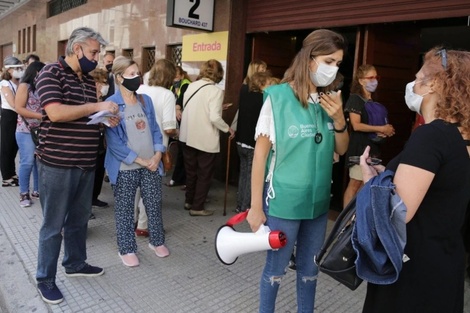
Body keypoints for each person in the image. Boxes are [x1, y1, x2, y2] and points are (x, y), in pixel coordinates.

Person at [359, 47, 470, 313]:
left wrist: (369, 180)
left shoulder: (431, 136)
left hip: (413, 269)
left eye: (418, 76)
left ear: (432, 83)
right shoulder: (460, 136)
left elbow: (398, 211)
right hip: (446, 261)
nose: (412, 84)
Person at [246, 29, 349, 313]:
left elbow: (342, 147)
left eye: (338, 63)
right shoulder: (278, 98)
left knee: (310, 270)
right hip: (284, 203)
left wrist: (340, 119)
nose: (333, 69)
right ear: (309, 58)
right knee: (275, 269)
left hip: (317, 203)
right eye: (329, 60)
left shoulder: (329, 101)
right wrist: (256, 206)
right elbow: (260, 157)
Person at [34, 27, 119, 305]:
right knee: (53, 225)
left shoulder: (84, 79)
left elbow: (83, 117)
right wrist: (97, 106)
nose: (97, 58)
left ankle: (75, 263)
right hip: (57, 164)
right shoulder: (50, 73)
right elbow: (56, 113)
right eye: (94, 52)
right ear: (77, 48)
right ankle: (45, 278)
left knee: (79, 220)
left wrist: (105, 117)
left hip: (85, 164)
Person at [105, 56, 169, 267]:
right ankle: (127, 248)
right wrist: (141, 160)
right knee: (125, 209)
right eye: (131, 74)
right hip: (126, 167)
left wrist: (158, 154)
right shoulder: (111, 105)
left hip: (151, 164)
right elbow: (114, 144)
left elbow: (155, 131)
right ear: (119, 77)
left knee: (153, 204)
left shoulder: (145, 100)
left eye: (137, 73)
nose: (136, 77)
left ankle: (157, 241)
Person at [179, 59, 235, 216]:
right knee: (204, 174)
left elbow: (192, 107)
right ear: (219, 74)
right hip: (204, 138)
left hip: (187, 135)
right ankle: (197, 207)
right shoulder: (216, 91)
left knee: (191, 172)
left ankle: (189, 200)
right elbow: (214, 118)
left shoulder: (191, 86)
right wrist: (227, 129)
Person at [134, 58, 177, 236]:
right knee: (149, 187)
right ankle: (143, 226)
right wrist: (176, 131)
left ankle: (132, 219)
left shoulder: (140, 89)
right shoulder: (167, 94)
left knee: (134, 184)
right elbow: (168, 127)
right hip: (155, 146)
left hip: (136, 141)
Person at [342, 64, 395, 208]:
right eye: (370, 77)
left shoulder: (373, 102)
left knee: (364, 185)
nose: (374, 81)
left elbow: (375, 125)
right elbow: (356, 125)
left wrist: (385, 130)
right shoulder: (355, 99)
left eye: (376, 77)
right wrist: (381, 128)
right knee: (355, 183)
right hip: (359, 149)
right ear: (360, 80)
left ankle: (355, 218)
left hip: (373, 148)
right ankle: (345, 221)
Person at [234, 70, 272, 213]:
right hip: (251, 143)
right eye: (268, 83)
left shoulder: (245, 94)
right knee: (251, 176)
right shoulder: (263, 99)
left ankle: (239, 204)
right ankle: (246, 207)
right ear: (262, 84)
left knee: (243, 174)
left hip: (240, 141)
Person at [14, 61, 45, 207]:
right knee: (27, 162)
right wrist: (41, 116)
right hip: (25, 131)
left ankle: (38, 190)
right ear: (35, 72)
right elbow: (19, 108)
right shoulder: (24, 86)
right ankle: (24, 193)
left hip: (42, 130)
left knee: (39, 162)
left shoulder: (44, 86)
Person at [89, 68, 111, 210]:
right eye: (102, 82)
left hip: (102, 140)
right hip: (90, 141)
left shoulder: (102, 99)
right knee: (90, 174)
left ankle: (94, 198)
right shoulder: (89, 99)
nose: (105, 86)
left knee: (99, 171)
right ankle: (86, 205)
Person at [167, 65, 192, 188]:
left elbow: (180, 101)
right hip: (176, 122)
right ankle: (178, 178)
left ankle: (180, 179)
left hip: (184, 122)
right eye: (173, 77)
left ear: (182, 76)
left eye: (177, 76)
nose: (175, 79)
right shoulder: (173, 87)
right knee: (180, 151)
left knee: (183, 151)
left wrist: (177, 108)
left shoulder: (186, 85)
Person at [1, 56, 24, 187]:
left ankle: (12, 172)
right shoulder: (5, 84)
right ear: (9, 70)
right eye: (17, 68)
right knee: (6, 145)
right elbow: (12, 103)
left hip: (17, 115)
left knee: (14, 145)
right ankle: (6, 176)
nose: (20, 70)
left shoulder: (18, 82)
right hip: (9, 115)